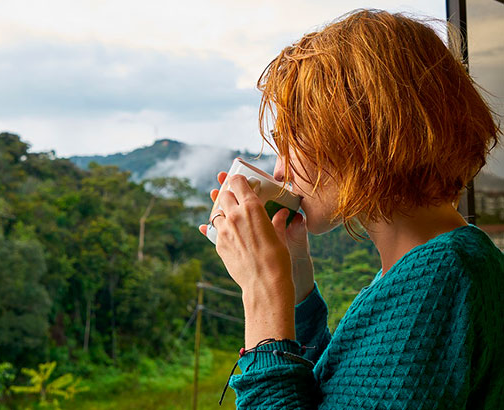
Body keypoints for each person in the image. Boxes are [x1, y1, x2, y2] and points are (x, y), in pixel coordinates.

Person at [198, 9, 504, 409]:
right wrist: (296, 287)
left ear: (359, 135)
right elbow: (343, 391)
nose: (279, 169)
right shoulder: (433, 266)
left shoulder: (440, 279)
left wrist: (262, 295)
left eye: (293, 141)